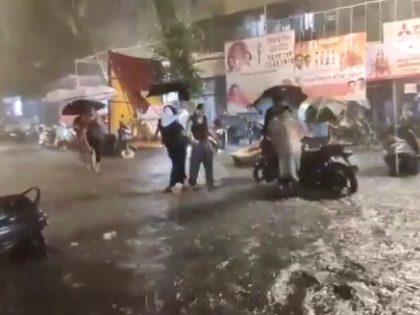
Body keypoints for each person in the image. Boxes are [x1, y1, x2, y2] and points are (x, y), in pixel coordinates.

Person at [158, 100, 189, 193]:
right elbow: (182, 129)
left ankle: (177, 183)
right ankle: (175, 184)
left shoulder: (164, 121)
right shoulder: (176, 121)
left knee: (177, 164)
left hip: (173, 145)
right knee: (178, 164)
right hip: (178, 144)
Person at [187, 103, 214, 189]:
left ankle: (210, 182)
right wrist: (192, 139)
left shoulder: (205, 118)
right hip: (196, 145)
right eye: (201, 110)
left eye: (204, 110)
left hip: (205, 143)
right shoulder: (192, 119)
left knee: (208, 164)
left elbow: (208, 129)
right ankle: (192, 181)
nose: (203, 112)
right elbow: (187, 131)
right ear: (197, 110)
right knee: (194, 164)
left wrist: (213, 136)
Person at [76, 107, 105, 172]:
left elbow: (101, 124)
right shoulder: (85, 117)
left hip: (98, 135)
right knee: (89, 149)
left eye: (92, 111)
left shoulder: (97, 116)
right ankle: (90, 163)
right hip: (90, 134)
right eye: (90, 111)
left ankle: (97, 164)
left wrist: (95, 120)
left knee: (97, 150)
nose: (91, 112)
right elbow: (82, 125)